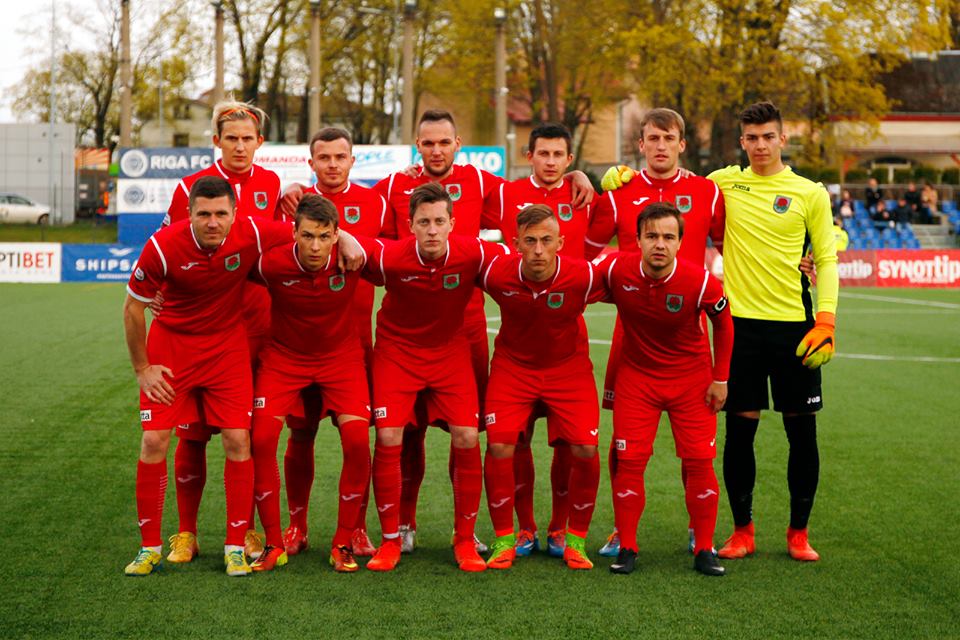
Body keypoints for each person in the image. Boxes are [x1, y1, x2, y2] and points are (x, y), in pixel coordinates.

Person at [373, 109, 594, 555]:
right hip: (404, 336)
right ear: (417, 145)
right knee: (404, 432)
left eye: (444, 142)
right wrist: (298, 193)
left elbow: (532, 196)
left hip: (464, 330)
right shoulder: (394, 186)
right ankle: (404, 524)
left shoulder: (480, 183)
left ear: (458, 144)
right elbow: (344, 212)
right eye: (428, 143)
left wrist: (579, 176)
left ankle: (467, 530)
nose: (436, 150)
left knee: (468, 434)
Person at [122, 176, 293, 576]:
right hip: (172, 347)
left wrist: (347, 239)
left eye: (220, 214)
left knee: (238, 439)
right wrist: (142, 369)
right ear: (189, 214)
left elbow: (304, 231)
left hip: (226, 349)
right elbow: (132, 308)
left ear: (235, 214)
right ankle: (149, 547)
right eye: (203, 214)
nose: (213, 222)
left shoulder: (253, 231)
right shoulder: (163, 246)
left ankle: (234, 546)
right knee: (154, 440)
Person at [587, 107, 725, 557]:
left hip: (687, 336)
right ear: (640, 144)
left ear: (682, 144)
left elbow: (734, 249)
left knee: (696, 447)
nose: (660, 146)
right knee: (623, 443)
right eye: (652, 138)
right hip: (632, 337)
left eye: (668, 138)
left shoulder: (706, 192)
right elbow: (584, 253)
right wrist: (586, 184)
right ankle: (620, 528)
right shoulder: (618, 193)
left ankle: (697, 528)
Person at [707, 101, 839, 562]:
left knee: (801, 433)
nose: (760, 145)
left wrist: (826, 320)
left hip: (795, 330)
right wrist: (619, 176)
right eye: (752, 138)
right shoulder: (723, 183)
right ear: (741, 141)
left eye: (768, 137)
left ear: (783, 138)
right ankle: (742, 531)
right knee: (740, 432)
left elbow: (827, 257)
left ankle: (798, 533)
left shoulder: (809, 193)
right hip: (739, 328)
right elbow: (675, 189)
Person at [360, 183, 507, 572]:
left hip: (449, 353)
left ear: (452, 224)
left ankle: (464, 540)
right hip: (397, 353)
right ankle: (390, 540)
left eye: (439, 221)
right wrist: (340, 236)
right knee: (389, 436)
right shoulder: (390, 256)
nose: (432, 230)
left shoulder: (473, 252)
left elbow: (518, 259)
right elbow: (349, 244)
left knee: (468, 436)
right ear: (410, 225)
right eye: (423, 222)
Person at [162, 101, 284, 564]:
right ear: (216, 141)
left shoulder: (272, 184)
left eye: (247, 138)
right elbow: (171, 247)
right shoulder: (190, 188)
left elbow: (278, 240)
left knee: (244, 434)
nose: (239, 146)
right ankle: (186, 533)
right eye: (231, 138)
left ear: (260, 143)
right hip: (200, 328)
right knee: (192, 435)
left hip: (254, 327)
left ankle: (246, 530)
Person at [269, 127, 390, 559]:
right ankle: (296, 525)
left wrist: (355, 237)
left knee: (356, 439)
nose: (333, 164)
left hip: (353, 345)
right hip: (298, 344)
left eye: (341, 157)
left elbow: (395, 251)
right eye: (324, 157)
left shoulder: (376, 202)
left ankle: (355, 529)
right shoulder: (291, 204)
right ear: (311, 162)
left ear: (353, 160)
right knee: (300, 434)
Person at [481, 122, 596, 558]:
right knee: (512, 441)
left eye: (558, 154)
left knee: (574, 443)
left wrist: (584, 178)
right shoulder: (503, 194)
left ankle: (562, 529)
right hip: (517, 352)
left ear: (570, 159)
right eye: (542, 153)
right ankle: (522, 529)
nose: (550, 161)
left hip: (567, 342)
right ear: (528, 156)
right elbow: (453, 204)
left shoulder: (585, 195)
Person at [602, 202, 733, 576]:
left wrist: (720, 378)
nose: (660, 244)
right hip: (637, 380)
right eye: (652, 236)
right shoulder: (615, 269)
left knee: (699, 461)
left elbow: (724, 324)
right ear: (637, 240)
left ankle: (704, 548)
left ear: (680, 243)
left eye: (668, 237)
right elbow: (576, 284)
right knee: (630, 462)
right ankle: (627, 546)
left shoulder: (701, 281)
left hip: (691, 382)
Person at [247, 195, 372, 573]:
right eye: (307, 236)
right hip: (284, 360)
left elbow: (404, 260)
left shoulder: (354, 258)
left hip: (341, 360)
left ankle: (342, 541)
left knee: (357, 440)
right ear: (293, 233)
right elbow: (221, 268)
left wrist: (349, 239)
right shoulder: (270, 263)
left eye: (324, 236)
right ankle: (276, 541)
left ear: (335, 235)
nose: (315, 246)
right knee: (262, 440)